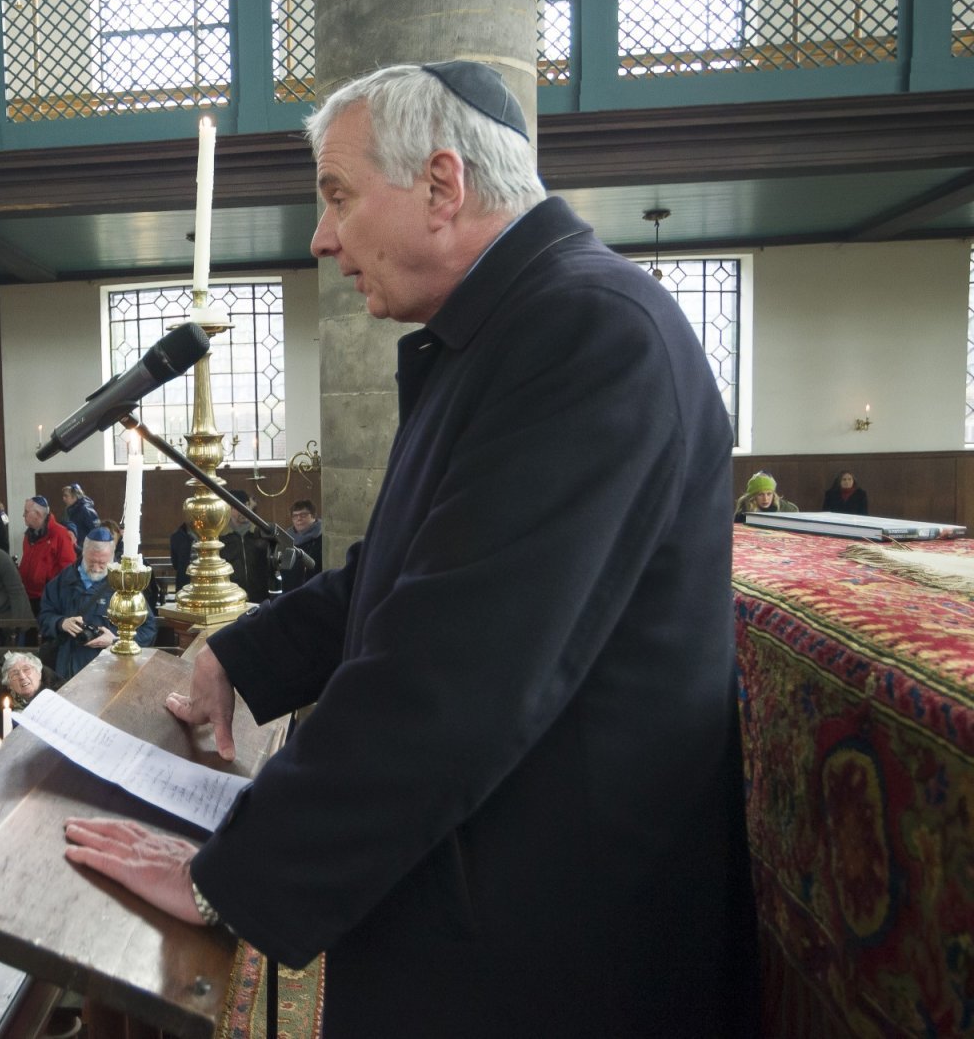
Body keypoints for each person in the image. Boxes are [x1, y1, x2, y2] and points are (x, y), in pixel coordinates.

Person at [61, 62, 753, 1036]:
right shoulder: (513, 330)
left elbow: (459, 662)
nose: (321, 236)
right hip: (494, 895)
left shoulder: (591, 333)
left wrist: (234, 880)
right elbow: (403, 569)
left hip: (554, 946)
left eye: (337, 195)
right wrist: (240, 655)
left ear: (442, 184)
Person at [38, 528, 156, 681]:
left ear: (112, 558)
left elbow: (148, 628)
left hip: (110, 671)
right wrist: (60, 623)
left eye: (102, 563)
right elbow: (44, 616)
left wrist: (116, 641)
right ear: (83, 553)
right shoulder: (62, 582)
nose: (95, 568)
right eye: (91, 562)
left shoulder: (124, 586)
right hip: (67, 668)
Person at [0, 651, 58, 755]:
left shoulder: (56, 697)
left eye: (26, 670)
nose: (22, 676)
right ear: (9, 685)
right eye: (14, 674)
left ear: (39, 674)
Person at [18, 495, 76, 615]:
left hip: (48, 597)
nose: (23, 515)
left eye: (26, 512)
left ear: (38, 515)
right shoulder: (29, 535)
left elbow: (68, 569)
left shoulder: (60, 534)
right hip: (28, 595)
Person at [217, 489, 272, 603]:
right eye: (238, 507)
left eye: (246, 506)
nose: (244, 511)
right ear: (229, 509)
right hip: (231, 597)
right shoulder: (220, 537)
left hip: (260, 597)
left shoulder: (262, 532)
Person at [283, 499, 323, 590]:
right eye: (295, 516)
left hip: (314, 588)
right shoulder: (286, 539)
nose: (299, 519)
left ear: (313, 516)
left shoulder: (323, 537)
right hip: (291, 590)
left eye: (303, 515)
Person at [735, 470, 799, 517]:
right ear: (753, 496)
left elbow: (795, 513)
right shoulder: (743, 512)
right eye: (760, 494)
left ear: (773, 494)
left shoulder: (784, 507)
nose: (765, 499)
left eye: (769, 494)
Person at [59, 483, 100, 551]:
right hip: (73, 548)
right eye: (63, 496)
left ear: (75, 496)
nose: (63, 498)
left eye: (66, 496)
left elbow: (96, 531)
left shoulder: (86, 510)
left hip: (85, 551)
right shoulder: (68, 510)